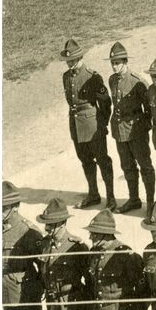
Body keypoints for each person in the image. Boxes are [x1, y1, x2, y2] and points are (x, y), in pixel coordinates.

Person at [60, 39, 116, 210]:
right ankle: (93, 194)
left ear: (80, 57)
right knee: (85, 160)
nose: (70, 63)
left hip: (93, 125)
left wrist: (102, 123)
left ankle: (111, 197)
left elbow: (105, 103)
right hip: (76, 125)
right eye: (68, 61)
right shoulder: (66, 77)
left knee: (102, 160)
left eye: (73, 60)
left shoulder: (93, 76)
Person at [35, 198, 90, 310]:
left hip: (74, 306)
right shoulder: (44, 245)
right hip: (54, 306)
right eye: (46, 224)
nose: (47, 228)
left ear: (63, 224)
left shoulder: (76, 247)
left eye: (51, 225)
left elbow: (90, 279)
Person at [106, 43, 154, 213]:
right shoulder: (112, 80)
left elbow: (149, 108)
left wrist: (143, 127)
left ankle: (151, 203)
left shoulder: (137, 81)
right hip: (120, 130)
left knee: (145, 166)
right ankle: (134, 199)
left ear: (125, 61)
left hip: (136, 130)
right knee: (127, 166)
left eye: (117, 62)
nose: (114, 66)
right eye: (112, 62)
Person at [2, 182, 46, 310]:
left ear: (15, 207)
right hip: (5, 292)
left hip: (24, 293)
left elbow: (43, 265)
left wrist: (36, 291)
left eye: (3, 208)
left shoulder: (28, 231)